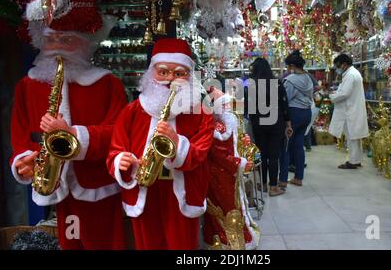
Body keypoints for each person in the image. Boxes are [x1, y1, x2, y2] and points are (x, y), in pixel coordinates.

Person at [10, 0, 127, 249]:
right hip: (56, 186)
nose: (58, 48)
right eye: (52, 40)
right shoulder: (29, 85)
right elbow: (21, 134)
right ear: (40, 40)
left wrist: (73, 136)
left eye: (68, 40)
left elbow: (118, 134)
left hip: (98, 185)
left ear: (85, 43)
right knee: (69, 241)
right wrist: (23, 159)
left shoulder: (107, 83)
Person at [107, 38, 214, 250]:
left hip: (181, 193)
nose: (169, 80)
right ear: (151, 73)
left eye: (179, 74)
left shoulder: (201, 113)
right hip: (144, 190)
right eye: (163, 72)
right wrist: (121, 160)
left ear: (190, 77)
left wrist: (176, 143)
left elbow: (200, 153)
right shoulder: (132, 111)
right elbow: (114, 150)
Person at [203, 88, 260, 250]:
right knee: (226, 207)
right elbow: (219, 154)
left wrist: (243, 144)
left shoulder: (226, 124)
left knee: (232, 205)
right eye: (227, 104)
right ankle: (227, 242)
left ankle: (234, 237)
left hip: (229, 173)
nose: (230, 107)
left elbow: (231, 147)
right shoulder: (217, 128)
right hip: (219, 175)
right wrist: (239, 163)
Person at [245, 58, 290, 197]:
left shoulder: (251, 85)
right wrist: (288, 123)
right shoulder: (277, 83)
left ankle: (263, 184)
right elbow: (284, 105)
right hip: (276, 123)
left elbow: (248, 109)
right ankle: (273, 187)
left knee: (262, 155)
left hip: (259, 124)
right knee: (274, 156)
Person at [279, 51, 313, 188]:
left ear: (292, 66)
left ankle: (282, 180)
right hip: (306, 113)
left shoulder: (291, 80)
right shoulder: (308, 78)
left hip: (294, 114)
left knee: (285, 147)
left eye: (288, 66)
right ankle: (299, 177)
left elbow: (285, 99)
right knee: (299, 145)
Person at [329, 54, 369, 169]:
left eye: (338, 65)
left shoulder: (351, 75)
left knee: (352, 137)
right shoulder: (353, 73)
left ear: (344, 64)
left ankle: (352, 161)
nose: (337, 68)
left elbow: (344, 93)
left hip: (350, 110)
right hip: (353, 109)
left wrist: (332, 97)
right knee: (356, 137)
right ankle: (357, 159)